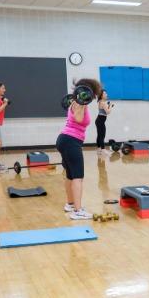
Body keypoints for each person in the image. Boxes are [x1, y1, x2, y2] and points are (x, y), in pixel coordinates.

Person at [56, 78, 103, 220]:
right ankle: (77, 211)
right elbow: (77, 119)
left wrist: (83, 104)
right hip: (71, 141)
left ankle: (70, 204)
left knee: (70, 175)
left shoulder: (76, 102)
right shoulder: (79, 104)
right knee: (78, 176)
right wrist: (82, 105)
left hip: (65, 139)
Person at [95, 90, 113, 156]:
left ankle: (99, 149)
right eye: (105, 93)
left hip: (99, 121)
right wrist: (110, 106)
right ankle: (103, 150)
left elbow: (105, 111)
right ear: (102, 95)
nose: (106, 94)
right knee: (102, 135)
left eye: (106, 93)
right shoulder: (103, 102)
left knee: (100, 135)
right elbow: (108, 112)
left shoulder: (101, 102)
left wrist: (108, 106)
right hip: (100, 121)